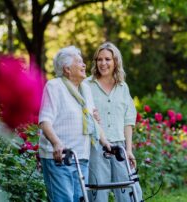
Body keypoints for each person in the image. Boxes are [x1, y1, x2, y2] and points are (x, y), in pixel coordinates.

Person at [38, 46, 110, 202]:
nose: (84, 65)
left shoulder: (85, 89)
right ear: (67, 69)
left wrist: (105, 142)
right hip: (58, 157)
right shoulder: (54, 86)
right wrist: (57, 143)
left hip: (81, 157)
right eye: (79, 62)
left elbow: (92, 120)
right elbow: (45, 120)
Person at [86, 42, 143, 202]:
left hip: (120, 147)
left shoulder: (123, 87)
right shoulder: (86, 85)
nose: (103, 63)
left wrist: (129, 150)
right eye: (99, 59)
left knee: (130, 193)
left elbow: (128, 120)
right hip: (96, 146)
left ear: (115, 61)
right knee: (98, 194)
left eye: (107, 59)